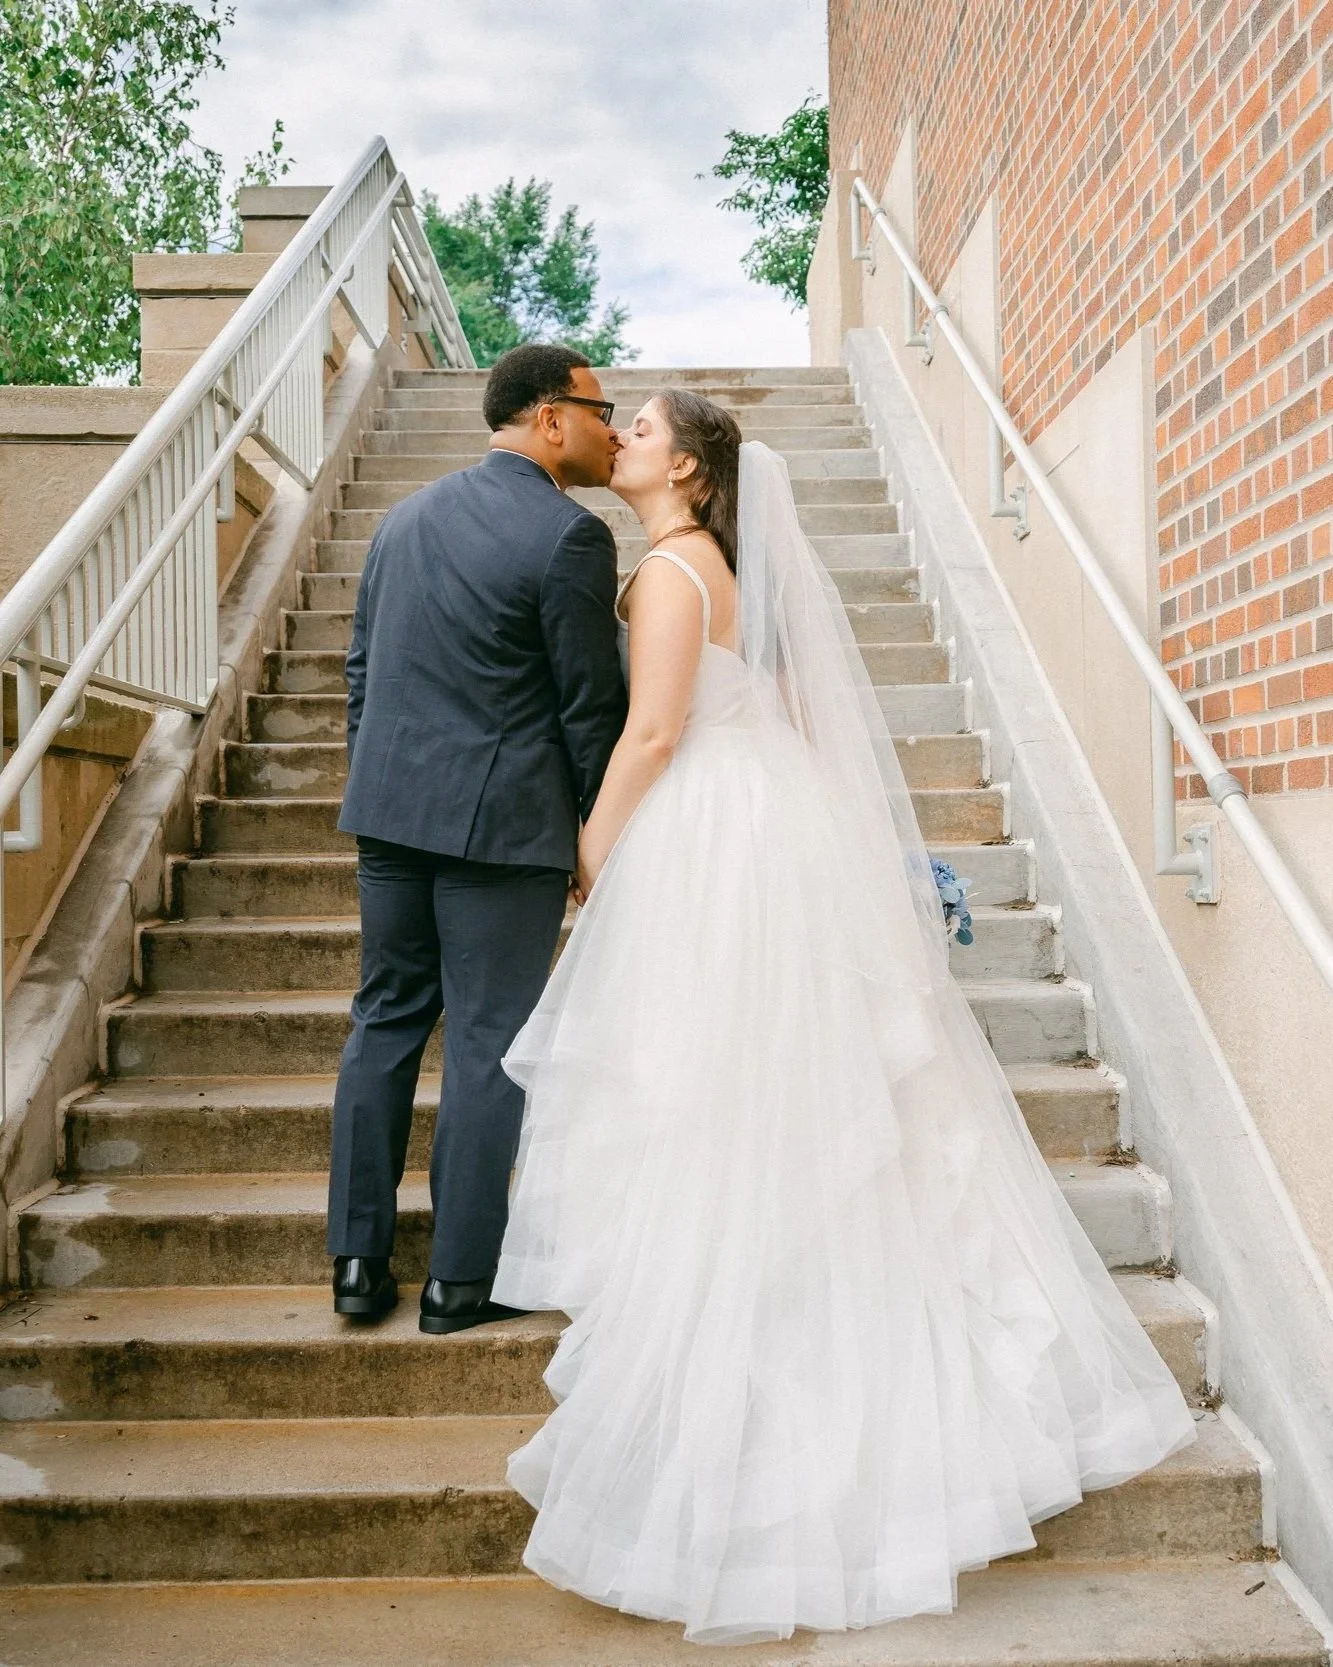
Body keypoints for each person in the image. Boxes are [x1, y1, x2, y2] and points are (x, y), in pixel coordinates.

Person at [490, 390, 1199, 1644]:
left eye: (645, 430)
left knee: (715, 1098)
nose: (627, 442)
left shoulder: (666, 572)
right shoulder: (729, 569)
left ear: (692, 471)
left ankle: (750, 1384)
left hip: (710, 837)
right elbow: (796, 722)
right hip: (774, 830)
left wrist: (591, 859)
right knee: (784, 1098)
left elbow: (654, 732)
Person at [325, 344, 627, 1334]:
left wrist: (381, 776)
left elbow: (361, 672)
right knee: (492, 1038)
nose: (611, 427)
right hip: (502, 829)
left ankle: (358, 1266)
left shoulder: (401, 520)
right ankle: (459, 1280)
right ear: (548, 416)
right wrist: (598, 831)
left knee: (384, 1021)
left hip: (390, 812)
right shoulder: (568, 537)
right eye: (599, 407)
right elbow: (590, 711)